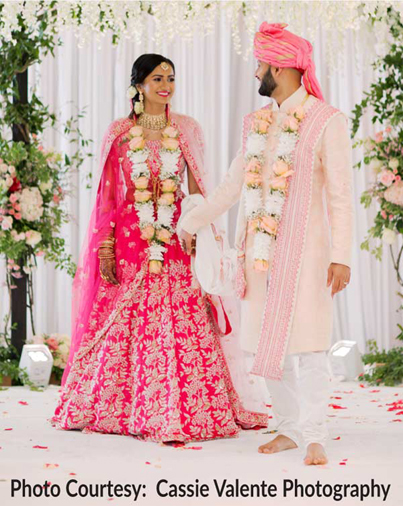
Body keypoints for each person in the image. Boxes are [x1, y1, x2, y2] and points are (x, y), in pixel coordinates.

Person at [52, 53, 268, 443]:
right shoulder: (119, 132)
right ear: (139, 85)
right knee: (126, 317)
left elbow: (201, 187)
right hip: (130, 237)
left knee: (181, 314)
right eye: (156, 79)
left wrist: (198, 228)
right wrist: (105, 245)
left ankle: (185, 406)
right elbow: (107, 196)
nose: (165, 85)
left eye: (170, 77)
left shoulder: (186, 129)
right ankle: (122, 405)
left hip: (176, 235)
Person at [179, 23, 353, 465]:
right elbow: (230, 187)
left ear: (281, 65)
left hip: (309, 256)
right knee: (265, 347)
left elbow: (340, 195)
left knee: (310, 346)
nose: (257, 71)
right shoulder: (255, 124)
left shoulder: (326, 120)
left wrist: (342, 257)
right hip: (258, 257)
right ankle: (290, 427)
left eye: (261, 63)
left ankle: (315, 433)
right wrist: (191, 221)